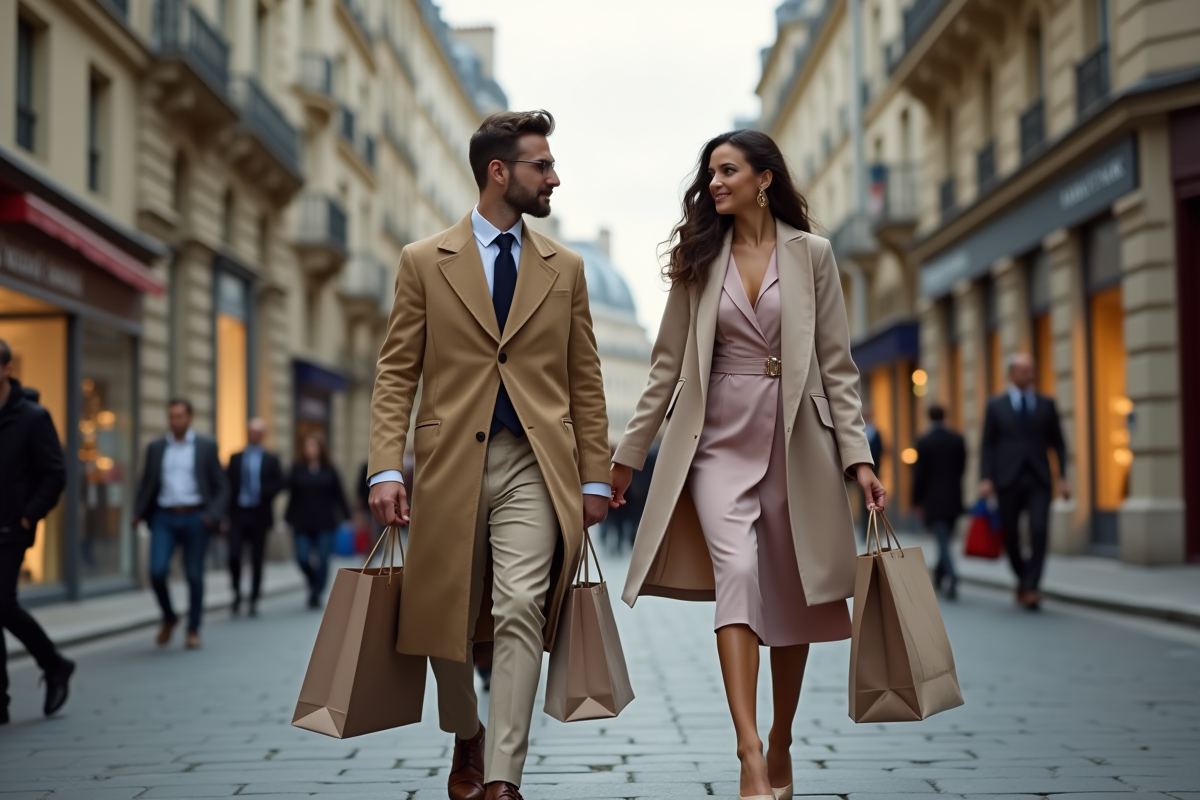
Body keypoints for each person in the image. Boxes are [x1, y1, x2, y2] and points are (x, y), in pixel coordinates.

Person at [610, 130, 885, 800]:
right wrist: (627, 458)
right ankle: (749, 751)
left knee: (791, 596)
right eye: (710, 174)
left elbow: (837, 369)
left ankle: (784, 736)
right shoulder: (700, 260)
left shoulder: (814, 256)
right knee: (736, 574)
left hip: (796, 439)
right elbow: (666, 369)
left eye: (727, 171)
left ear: (764, 179)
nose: (714, 184)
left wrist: (861, 460)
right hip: (715, 440)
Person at [367, 109, 610, 800]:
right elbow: (396, 372)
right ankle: (466, 728)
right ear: (500, 172)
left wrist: (594, 475)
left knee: (519, 610)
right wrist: (386, 465)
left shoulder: (565, 268)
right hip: (449, 467)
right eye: (543, 165)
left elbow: (585, 378)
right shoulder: (423, 261)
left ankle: (502, 774)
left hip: (536, 465)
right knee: (443, 616)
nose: (554, 177)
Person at [0, 339, 73, 723]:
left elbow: (55, 474)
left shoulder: (32, 417)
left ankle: (54, 662)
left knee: (2, 602)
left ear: (7, 368)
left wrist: (29, 515)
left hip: (12, 527)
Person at [133, 399, 228, 649]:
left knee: (194, 575)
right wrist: (137, 513)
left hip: (196, 516)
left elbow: (222, 486)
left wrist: (213, 515)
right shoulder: (155, 447)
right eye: (171, 417)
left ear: (190, 417)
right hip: (164, 517)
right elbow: (146, 483)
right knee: (156, 571)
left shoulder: (206, 446)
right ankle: (169, 616)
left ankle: (193, 629)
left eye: (180, 416)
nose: (175, 421)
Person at [979, 353, 1069, 611]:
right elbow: (987, 445)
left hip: (1039, 478)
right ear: (1012, 374)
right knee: (1011, 537)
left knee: (1040, 530)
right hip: (1007, 478)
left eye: (1032, 370)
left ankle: (1030, 586)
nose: (1030, 375)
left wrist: (1063, 476)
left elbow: (1059, 444)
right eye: (1024, 371)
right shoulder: (996, 406)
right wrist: (985, 478)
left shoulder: (1046, 404)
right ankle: (1023, 578)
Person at [225, 418, 285, 616]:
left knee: (257, 558)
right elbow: (227, 486)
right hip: (238, 513)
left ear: (263, 435)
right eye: (251, 431)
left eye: (258, 432)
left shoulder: (271, 459)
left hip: (260, 513)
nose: (254, 435)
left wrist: (263, 491)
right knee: (234, 554)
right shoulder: (235, 458)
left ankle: (254, 597)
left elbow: (280, 483)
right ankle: (236, 592)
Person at [285, 433, 349, 609]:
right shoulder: (297, 468)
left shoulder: (330, 469)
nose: (310, 449)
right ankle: (313, 582)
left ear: (321, 448)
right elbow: (292, 495)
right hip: (301, 521)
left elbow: (339, 494)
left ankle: (316, 592)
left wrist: (347, 516)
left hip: (325, 522)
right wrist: (287, 518)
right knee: (302, 557)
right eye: (307, 446)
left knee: (322, 558)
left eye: (314, 446)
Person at [911, 404, 967, 599]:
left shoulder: (924, 442)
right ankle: (940, 574)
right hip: (953, 498)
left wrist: (916, 501)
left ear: (929, 417)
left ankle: (951, 575)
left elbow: (919, 475)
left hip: (933, 500)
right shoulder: (957, 439)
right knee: (945, 538)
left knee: (942, 540)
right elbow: (962, 468)